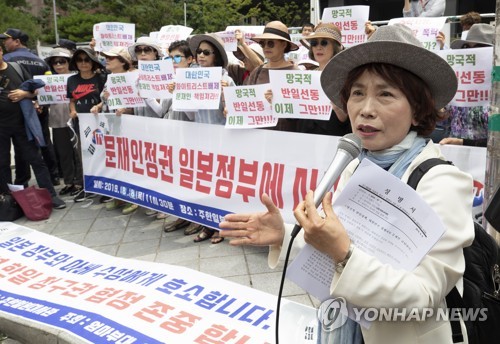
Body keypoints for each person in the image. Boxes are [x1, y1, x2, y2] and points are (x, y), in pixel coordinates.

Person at [219, 24, 474, 343]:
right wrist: (284, 235)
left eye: (385, 94)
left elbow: (422, 296)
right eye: (357, 93)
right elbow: (335, 249)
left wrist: (344, 255)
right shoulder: (355, 165)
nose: (366, 109)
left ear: (417, 111)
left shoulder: (442, 182)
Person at [0, 47, 66, 209]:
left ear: (1, 51)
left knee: (36, 160)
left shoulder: (15, 67)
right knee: (2, 164)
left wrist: (24, 94)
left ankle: (50, 195)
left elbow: (35, 91)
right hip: (1, 128)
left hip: (22, 124)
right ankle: (8, 200)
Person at [186, 33, 235, 243]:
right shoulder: (191, 77)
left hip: (221, 139)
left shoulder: (226, 79)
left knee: (221, 184)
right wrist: (181, 95)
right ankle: (207, 224)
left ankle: (221, 226)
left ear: (216, 56)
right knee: (204, 183)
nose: (201, 55)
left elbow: (233, 114)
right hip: (200, 137)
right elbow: (189, 114)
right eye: (199, 52)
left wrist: (226, 98)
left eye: (207, 52)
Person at [438, 23, 494, 147]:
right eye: (466, 47)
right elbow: (445, 121)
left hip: (487, 159)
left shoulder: (496, 91)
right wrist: (439, 110)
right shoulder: (459, 83)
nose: (471, 52)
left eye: (480, 47)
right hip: (453, 154)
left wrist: (463, 142)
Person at [296, 22, 351, 136]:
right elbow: (294, 116)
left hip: (332, 139)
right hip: (305, 139)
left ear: (335, 47)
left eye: (324, 43)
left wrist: (337, 108)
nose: (318, 47)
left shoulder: (346, 78)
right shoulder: (306, 77)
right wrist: (277, 99)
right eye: (314, 43)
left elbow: (346, 119)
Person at [67, 47, 106, 202]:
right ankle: (87, 186)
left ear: (93, 62)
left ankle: (104, 187)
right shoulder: (71, 80)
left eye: (86, 60)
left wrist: (99, 106)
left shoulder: (101, 78)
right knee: (83, 154)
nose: (83, 63)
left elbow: (106, 98)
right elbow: (71, 99)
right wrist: (72, 111)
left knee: (100, 153)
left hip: (98, 123)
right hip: (80, 124)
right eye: (79, 60)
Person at [245, 21, 300, 133]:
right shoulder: (257, 71)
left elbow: (302, 111)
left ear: (284, 44)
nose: (266, 47)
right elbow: (246, 102)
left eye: (270, 43)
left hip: (286, 136)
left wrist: (280, 101)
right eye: (262, 44)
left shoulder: (296, 73)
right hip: (257, 135)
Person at [44, 48, 80, 196]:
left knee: (77, 152)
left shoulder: (77, 78)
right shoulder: (47, 81)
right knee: (63, 153)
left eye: (62, 61)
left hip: (76, 119)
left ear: (69, 62)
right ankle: (69, 182)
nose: (58, 65)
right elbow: (43, 99)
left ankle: (79, 182)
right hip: (57, 121)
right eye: (55, 62)